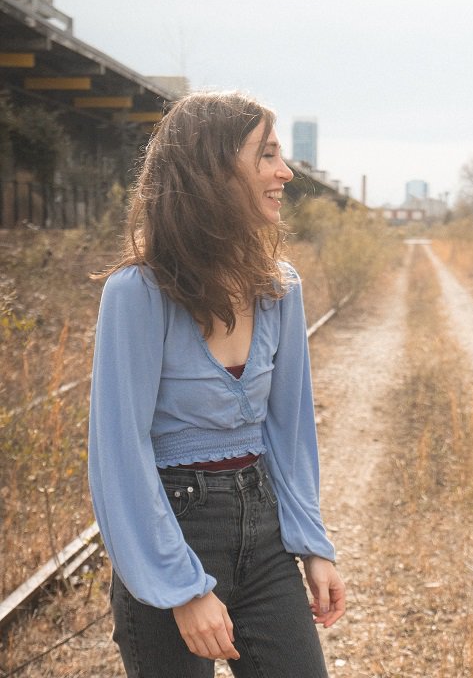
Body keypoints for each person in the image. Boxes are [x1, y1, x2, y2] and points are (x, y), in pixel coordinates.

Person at [88, 90, 345, 677]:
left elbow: (290, 430)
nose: (287, 171)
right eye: (267, 155)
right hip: (170, 526)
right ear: (212, 169)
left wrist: (312, 544)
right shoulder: (138, 293)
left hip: (264, 531)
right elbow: (119, 455)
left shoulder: (279, 288)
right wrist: (182, 587)